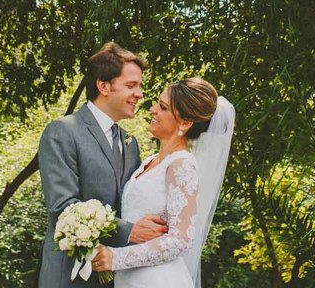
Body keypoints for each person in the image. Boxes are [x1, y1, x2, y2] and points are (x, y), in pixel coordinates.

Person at [38, 43, 170, 287]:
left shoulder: (131, 145)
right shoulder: (63, 132)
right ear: (104, 86)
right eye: (131, 85)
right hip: (70, 277)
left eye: (139, 86)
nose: (140, 94)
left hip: (118, 276)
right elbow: (63, 206)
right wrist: (129, 231)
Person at [91, 77, 235, 288]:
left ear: (185, 123)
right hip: (129, 279)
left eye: (163, 107)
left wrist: (116, 258)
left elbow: (181, 240)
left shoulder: (182, 165)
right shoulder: (149, 162)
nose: (152, 109)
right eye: (157, 103)